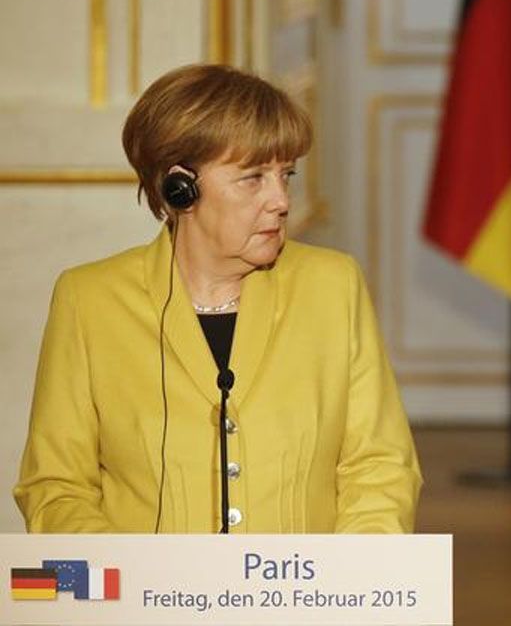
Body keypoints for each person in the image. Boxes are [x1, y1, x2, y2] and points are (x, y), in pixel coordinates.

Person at [14, 64, 421, 533]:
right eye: (253, 178)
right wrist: (135, 588)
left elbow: (380, 468)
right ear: (181, 188)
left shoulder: (334, 286)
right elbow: (56, 486)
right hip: (148, 603)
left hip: (302, 600)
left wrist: (340, 585)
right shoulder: (89, 301)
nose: (281, 200)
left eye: (285, 174)